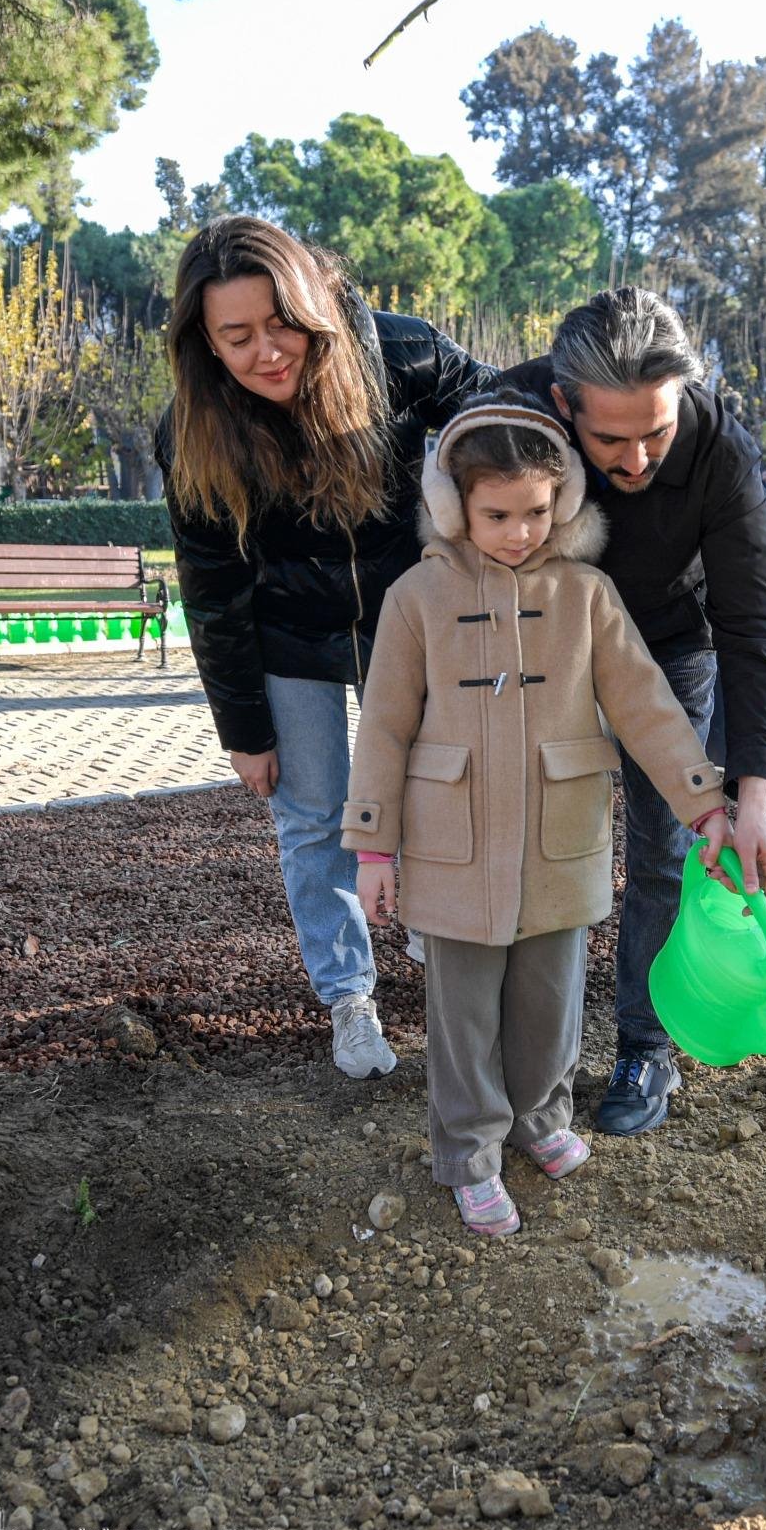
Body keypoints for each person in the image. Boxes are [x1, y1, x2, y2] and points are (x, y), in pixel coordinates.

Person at [341, 391, 733, 1235]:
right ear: (453, 508)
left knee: (551, 1003)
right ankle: (470, 1153)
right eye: (496, 514)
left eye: (535, 512)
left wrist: (703, 804)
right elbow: (383, 726)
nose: (519, 531)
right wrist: (373, 850)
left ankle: (540, 1121)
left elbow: (647, 707)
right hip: (455, 846)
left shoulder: (586, 596)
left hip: (562, 840)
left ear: (564, 504)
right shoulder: (416, 599)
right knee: (464, 1014)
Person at [155, 216, 495, 1081]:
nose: (268, 352)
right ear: (205, 342)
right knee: (314, 818)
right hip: (285, 640)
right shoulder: (192, 429)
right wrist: (243, 728)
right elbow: (212, 588)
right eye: (237, 337)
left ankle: (435, 930)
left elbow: (505, 415)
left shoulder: (399, 355)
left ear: (312, 303)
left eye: (282, 324)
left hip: (405, 625)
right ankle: (349, 998)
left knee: (433, 785)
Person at [503, 288, 766, 1137]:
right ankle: (506, 1049)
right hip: (545, 646)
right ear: (564, 408)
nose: (635, 461)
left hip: (671, 645)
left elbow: (755, 625)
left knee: (673, 848)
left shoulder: (721, 452)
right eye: (610, 439)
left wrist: (753, 798)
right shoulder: (512, 418)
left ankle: (645, 1043)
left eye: (655, 433)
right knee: (524, 842)